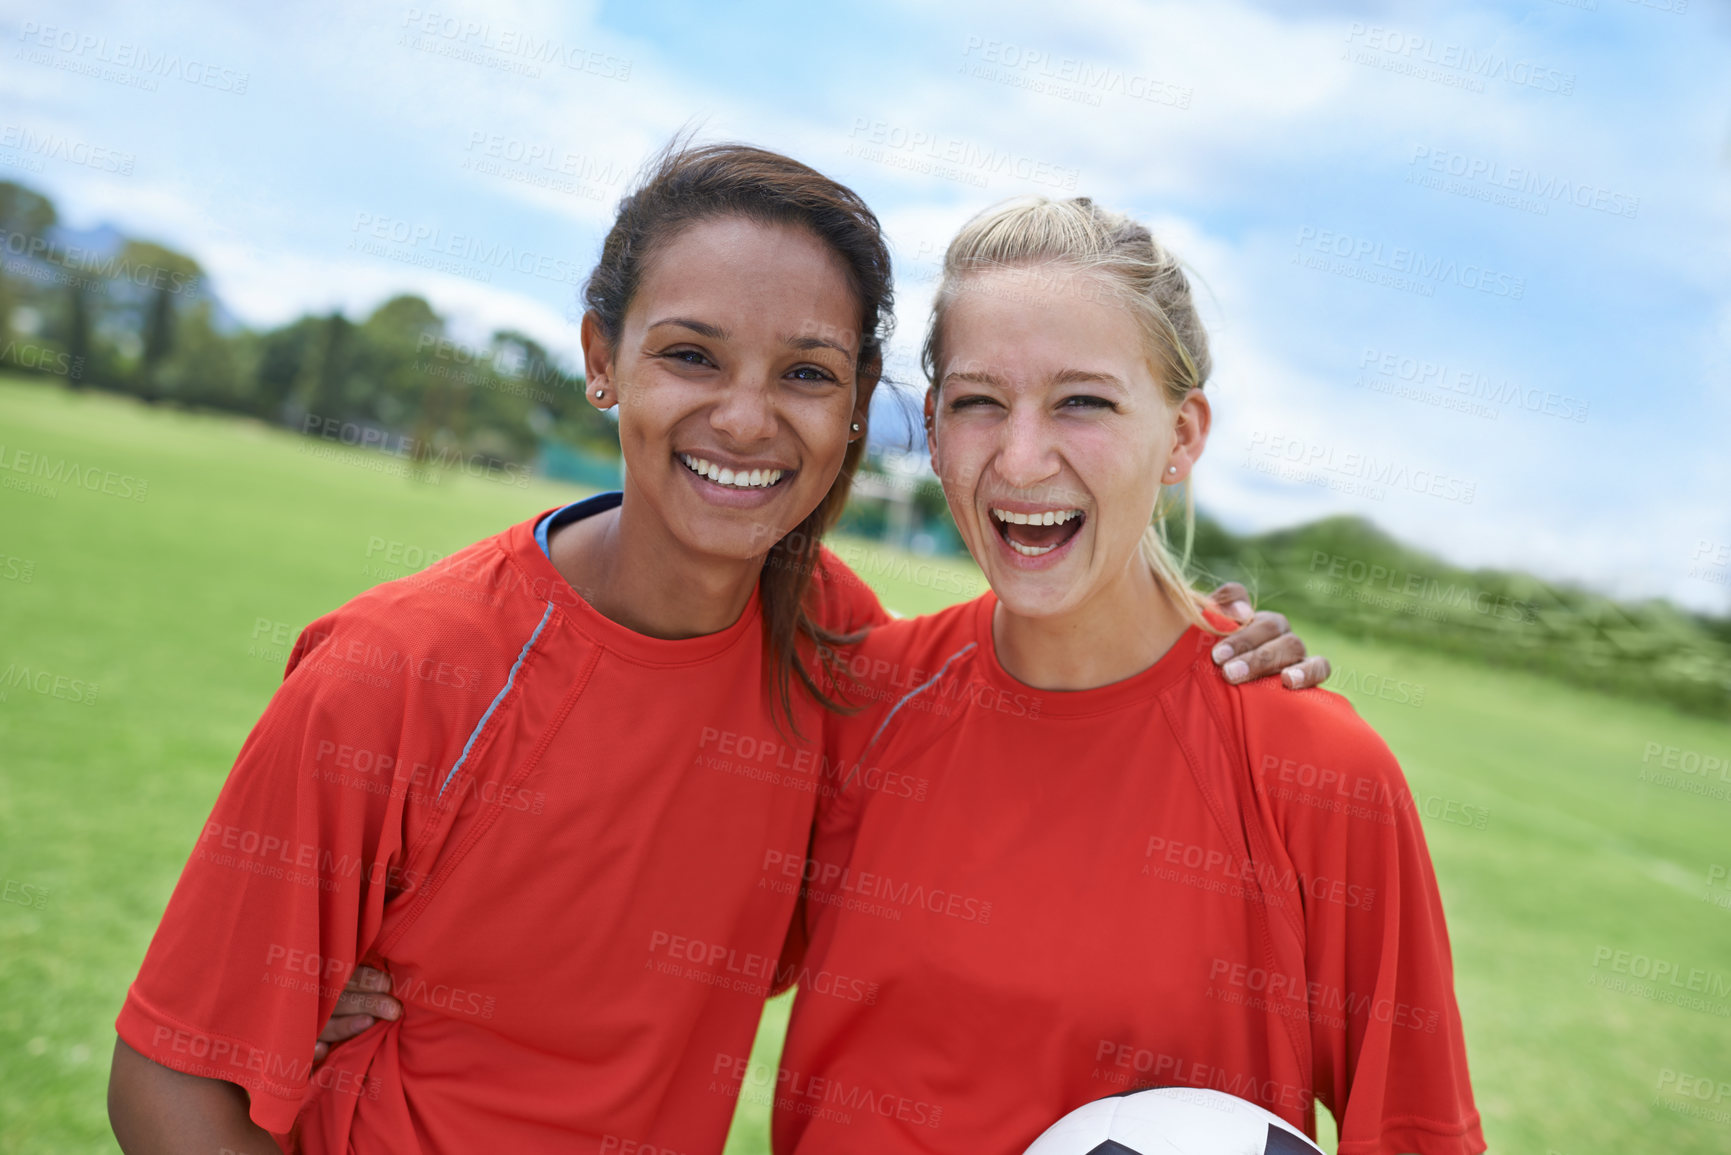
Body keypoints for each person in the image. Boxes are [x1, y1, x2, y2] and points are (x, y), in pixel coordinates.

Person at [106, 145, 1317, 1155]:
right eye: (691, 354)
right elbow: (166, 1081)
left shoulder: (839, 655)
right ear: (601, 359)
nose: (745, 417)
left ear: (857, 410)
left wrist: (1213, 642)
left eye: (805, 374)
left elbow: (1024, 716)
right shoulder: (398, 671)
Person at [769, 197, 1484, 1154]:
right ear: (933, 430)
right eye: (978, 401)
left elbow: (1415, 1130)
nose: (1021, 459)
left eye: (1084, 401)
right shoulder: (856, 701)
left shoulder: (1314, 768)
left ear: (1182, 436)